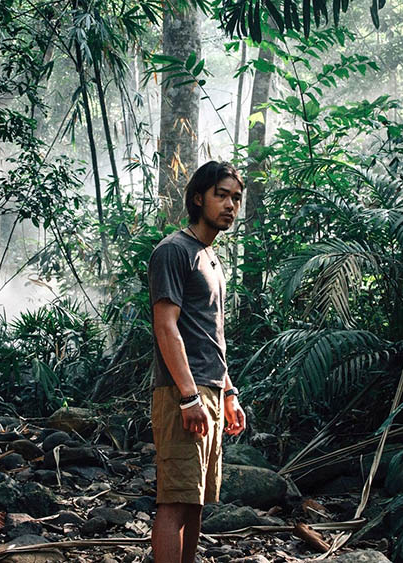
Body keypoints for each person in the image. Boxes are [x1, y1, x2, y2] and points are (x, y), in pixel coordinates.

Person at [148, 161, 248, 563]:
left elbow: (211, 335)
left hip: (208, 389)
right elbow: (166, 327)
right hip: (181, 391)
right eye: (221, 195)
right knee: (174, 501)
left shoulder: (210, 258)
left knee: (195, 501)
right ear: (197, 198)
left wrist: (228, 393)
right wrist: (188, 397)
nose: (230, 205)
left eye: (236, 198)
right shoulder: (174, 251)